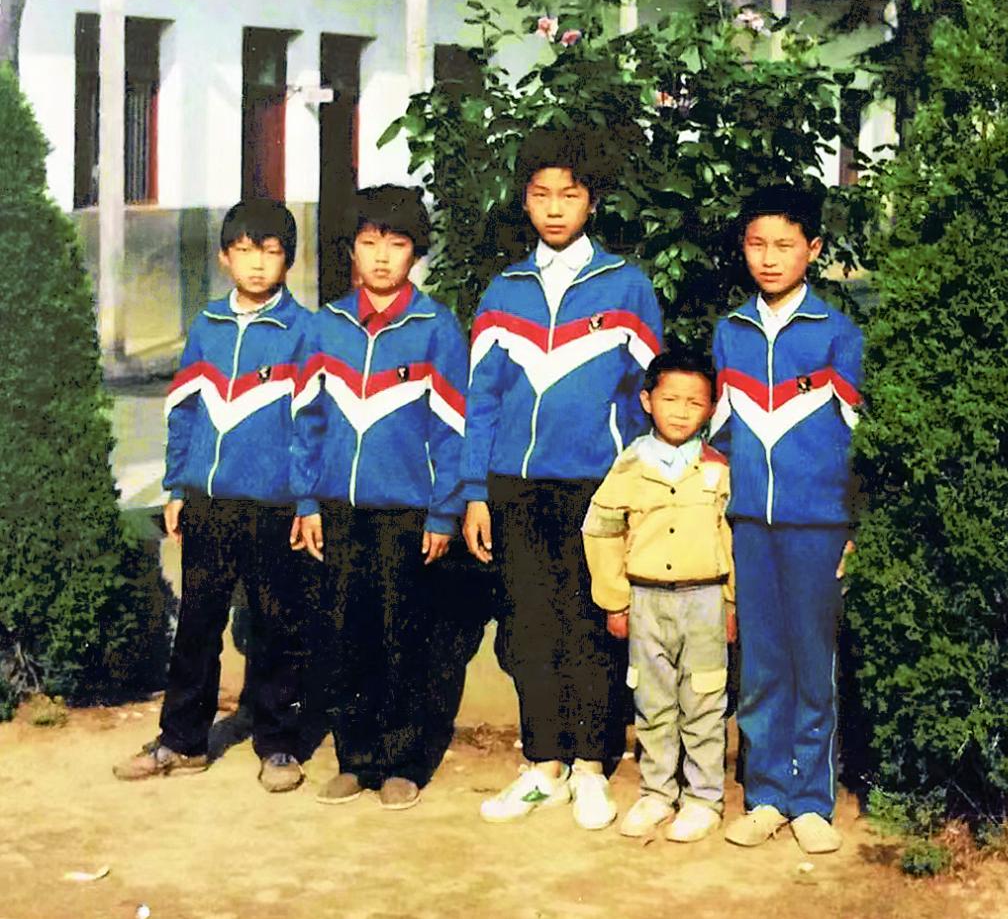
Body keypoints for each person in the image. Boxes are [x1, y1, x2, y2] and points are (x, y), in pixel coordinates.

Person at [462, 127, 663, 830]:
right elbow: (481, 401)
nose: (554, 208)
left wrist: (636, 491)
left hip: (595, 489)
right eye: (541, 194)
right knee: (528, 626)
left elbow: (648, 398)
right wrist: (474, 491)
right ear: (524, 201)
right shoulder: (503, 291)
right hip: (515, 489)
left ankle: (590, 767)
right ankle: (543, 764)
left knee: (590, 625)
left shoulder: (626, 286)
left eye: (569, 195)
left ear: (591, 202)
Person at [113, 199, 313, 792]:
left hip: (275, 505)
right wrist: (178, 485)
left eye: (270, 252)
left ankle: (279, 745)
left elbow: (312, 427)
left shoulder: (304, 332)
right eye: (244, 251)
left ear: (288, 261)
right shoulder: (206, 326)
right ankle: (182, 741)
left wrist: (306, 502)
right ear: (225, 258)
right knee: (198, 624)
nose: (256, 264)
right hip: (208, 502)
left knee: (277, 625)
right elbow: (184, 411)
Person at [290, 184, 469, 811]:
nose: (383, 257)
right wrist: (306, 502)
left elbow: (453, 429)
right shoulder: (326, 326)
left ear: (416, 252)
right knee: (345, 633)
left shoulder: (436, 328)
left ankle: (402, 762)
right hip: (339, 511)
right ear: (352, 250)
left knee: (403, 635)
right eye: (370, 243)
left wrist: (444, 510)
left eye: (397, 244)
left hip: (408, 512)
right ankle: (355, 758)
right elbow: (305, 422)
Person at [710, 184, 864, 855]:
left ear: (813, 249)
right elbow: (719, 436)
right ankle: (766, 793)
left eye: (784, 245)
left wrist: (855, 524)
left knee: (812, 660)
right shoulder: (729, 332)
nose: (768, 258)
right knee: (761, 662)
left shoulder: (838, 334)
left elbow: (860, 441)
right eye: (756, 244)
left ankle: (810, 800)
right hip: (750, 524)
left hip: (817, 526)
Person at [582, 348, 736, 843]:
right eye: (670, 399)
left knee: (704, 701)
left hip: (704, 600)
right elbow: (601, 531)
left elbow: (731, 537)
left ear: (711, 408)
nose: (681, 411)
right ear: (647, 401)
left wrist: (731, 602)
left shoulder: (718, 469)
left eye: (695, 402)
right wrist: (615, 600)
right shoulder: (628, 467)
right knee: (653, 702)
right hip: (646, 602)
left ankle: (703, 799)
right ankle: (656, 793)